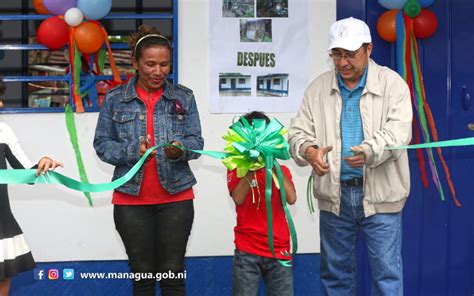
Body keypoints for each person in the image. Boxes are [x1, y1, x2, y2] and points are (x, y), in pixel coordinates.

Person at [288, 17, 412, 295]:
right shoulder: (318, 88)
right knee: (335, 279)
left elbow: (399, 134)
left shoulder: (394, 86)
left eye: (350, 55)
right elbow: (296, 133)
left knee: (387, 279)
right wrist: (309, 151)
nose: (343, 62)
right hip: (335, 199)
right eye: (337, 55)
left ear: (369, 49)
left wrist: (370, 151)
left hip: (382, 198)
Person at [93, 25, 203, 296]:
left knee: (172, 275)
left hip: (176, 199)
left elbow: (196, 143)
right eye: (150, 64)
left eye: (164, 64)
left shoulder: (184, 97)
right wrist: (133, 150)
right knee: (142, 278)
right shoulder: (116, 99)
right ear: (135, 63)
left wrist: (181, 150)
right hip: (131, 201)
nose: (158, 71)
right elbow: (102, 145)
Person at [0, 79, 63, 296]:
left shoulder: (3, 131)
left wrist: (43, 163)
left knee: (1, 281)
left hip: (1, 224)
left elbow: (28, 174)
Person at [227, 111, 297, 296]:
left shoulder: (280, 169)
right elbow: (238, 198)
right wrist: (250, 167)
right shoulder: (237, 170)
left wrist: (272, 163)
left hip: (279, 250)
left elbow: (291, 198)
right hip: (247, 250)